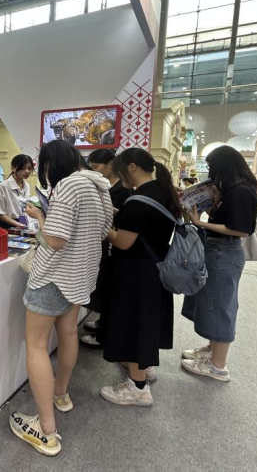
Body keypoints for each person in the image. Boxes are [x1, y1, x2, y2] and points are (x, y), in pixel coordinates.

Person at [9, 140, 113, 456]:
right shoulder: (101, 188)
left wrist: (39, 216)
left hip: (54, 277)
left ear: (51, 163)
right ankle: (60, 394)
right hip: (80, 276)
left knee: (36, 346)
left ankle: (46, 431)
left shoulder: (68, 185)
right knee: (68, 333)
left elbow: (54, 240)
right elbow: (104, 231)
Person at [98, 148, 181, 407]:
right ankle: (143, 367)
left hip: (136, 272)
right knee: (145, 323)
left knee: (134, 324)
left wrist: (102, 225)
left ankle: (138, 388)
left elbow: (123, 241)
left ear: (132, 167)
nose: (118, 176)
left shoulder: (139, 200)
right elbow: (145, 225)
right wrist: (117, 214)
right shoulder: (163, 191)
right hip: (154, 268)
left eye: (119, 170)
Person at [181, 145, 257, 382]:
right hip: (217, 249)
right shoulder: (230, 190)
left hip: (225, 251)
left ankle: (218, 366)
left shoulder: (241, 192)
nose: (210, 171)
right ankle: (212, 351)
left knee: (221, 305)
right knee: (213, 302)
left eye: (212, 166)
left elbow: (241, 230)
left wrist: (200, 223)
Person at [80, 148, 132, 349]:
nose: (94, 171)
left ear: (111, 164)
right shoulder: (107, 186)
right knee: (103, 285)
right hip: (103, 241)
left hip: (113, 243)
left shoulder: (122, 190)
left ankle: (105, 332)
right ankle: (103, 324)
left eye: (96, 167)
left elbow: (118, 219)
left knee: (108, 286)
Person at [0, 154, 34, 229]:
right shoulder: (3, 186)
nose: (27, 171)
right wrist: (19, 225)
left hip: (23, 223)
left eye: (29, 168)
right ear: (13, 168)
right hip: (7, 225)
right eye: (23, 168)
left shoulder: (27, 186)